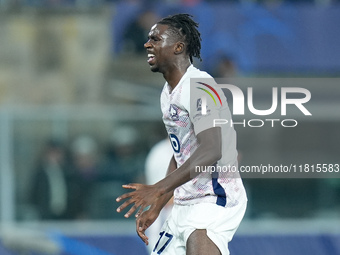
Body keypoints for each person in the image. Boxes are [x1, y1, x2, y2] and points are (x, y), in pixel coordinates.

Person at [116, 14, 247, 255]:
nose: (147, 44)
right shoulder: (168, 93)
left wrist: (157, 188)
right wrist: (159, 203)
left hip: (214, 195)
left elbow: (211, 149)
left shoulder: (199, 86)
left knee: (198, 242)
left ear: (178, 47)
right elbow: (181, 152)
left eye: (155, 39)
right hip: (185, 202)